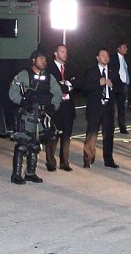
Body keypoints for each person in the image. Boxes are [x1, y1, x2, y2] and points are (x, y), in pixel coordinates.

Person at [9, 49, 62, 184]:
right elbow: (13, 92)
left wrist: (53, 106)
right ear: (33, 60)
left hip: (41, 115)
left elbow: (57, 92)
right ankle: (16, 175)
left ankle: (30, 173)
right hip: (26, 115)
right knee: (22, 145)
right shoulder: (24, 75)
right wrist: (22, 102)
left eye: (45, 59)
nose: (44, 61)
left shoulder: (49, 76)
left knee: (35, 145)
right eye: (41, 59)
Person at [81, 48, 121, 169]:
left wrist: (112, 85)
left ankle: (108, 159)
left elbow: (121, 87)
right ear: (97, 58)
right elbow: (85, 88)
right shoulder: (91, 71)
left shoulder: (113, 71)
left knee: (108, 134)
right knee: (92, 134)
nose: (105, 57)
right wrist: (98, 83)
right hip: (95, 107)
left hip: (108, 107)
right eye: (103, 55)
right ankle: (88, 158)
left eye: (107, 55)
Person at [45, 44, 76, 172]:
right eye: (62, 51)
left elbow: (76, 83)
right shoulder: (49, 69)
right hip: (56, 106)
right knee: (53, 134)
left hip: (68, 106)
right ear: (55, 54)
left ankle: (64, 162)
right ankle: (51, 162)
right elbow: (52, 86)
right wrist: (64, 85)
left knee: (66, 136)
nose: (65, 54)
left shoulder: (69, 68)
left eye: (66, 52)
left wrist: (67, 84)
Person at [113, 41, 131, 134]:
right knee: (114, 107)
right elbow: (115, 72)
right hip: (117, 85)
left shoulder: (124, 59)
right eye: (124, 47)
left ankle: (122, 126)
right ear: (119, 48)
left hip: (124, 85)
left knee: (122, 107)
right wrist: (119, 82)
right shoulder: (114, 58)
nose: (126, 49)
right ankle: (113, 126)